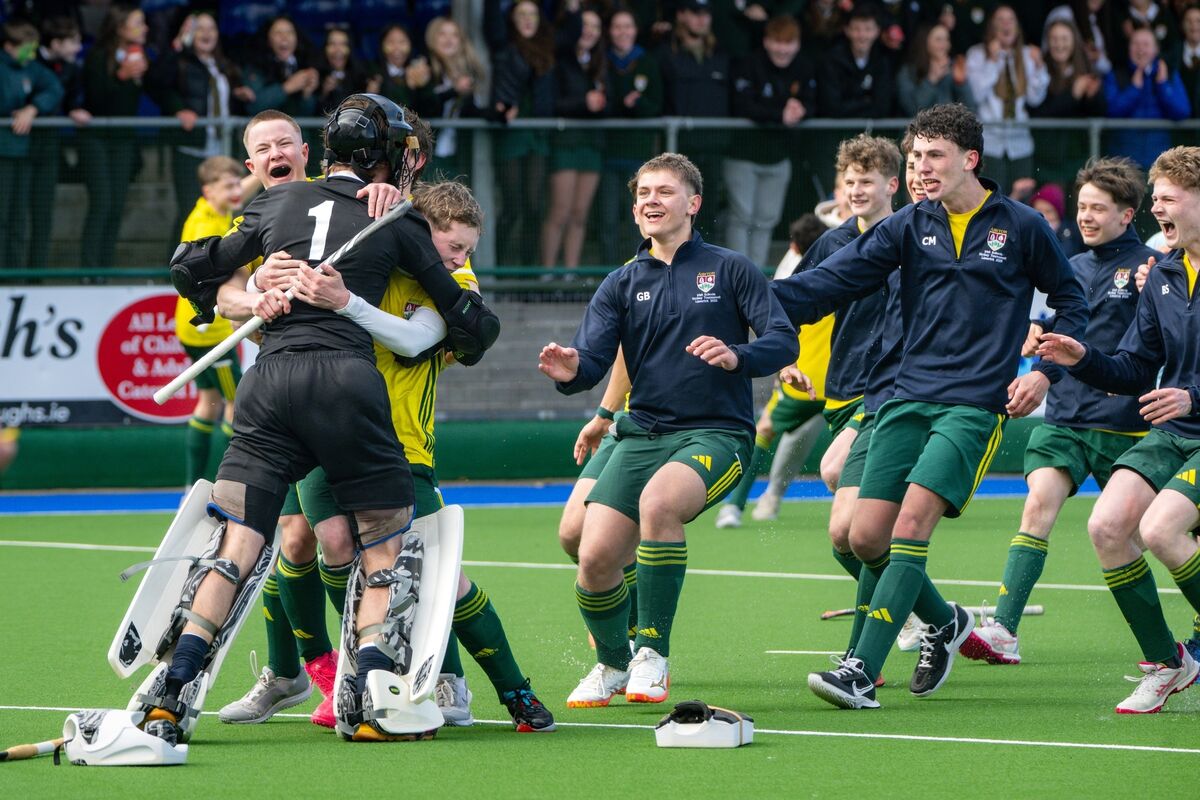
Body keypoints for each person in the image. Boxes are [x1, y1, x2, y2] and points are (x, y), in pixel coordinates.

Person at [143, 94, 497, 745]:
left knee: (239, 546)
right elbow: (471, 324)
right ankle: (372, 689)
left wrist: (254, 288)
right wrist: (467, 330)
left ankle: (174, 688)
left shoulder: (273, 205)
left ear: (318, 151)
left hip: (269, 386)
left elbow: (188, 265)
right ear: (389, 159)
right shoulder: (397, 223)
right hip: (346, 386)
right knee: (382, 544)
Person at [774, 103, 1088, 710]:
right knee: (864, 538)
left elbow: (1071, 301)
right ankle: (945, 625)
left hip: (974, 405)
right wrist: (743, 295)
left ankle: (859, 671)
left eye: (933, 156)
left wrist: (1046, 372)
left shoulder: (1022, 226)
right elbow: (827, 284)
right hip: (903, 398)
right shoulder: (907, 225)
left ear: (970, 160)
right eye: (914, 156)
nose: (919, 168)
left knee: (909, 525)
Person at [286, 175, 556, 733]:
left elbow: (413, 341)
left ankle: (514, 692)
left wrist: (346, 302)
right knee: (334, 544)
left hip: (402, 445)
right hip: (323, 434)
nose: (459, 260)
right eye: (452, 246)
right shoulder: (362, 260)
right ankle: (363, 677)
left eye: (467, 251)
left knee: (442, 575)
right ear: (418, 233)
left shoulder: (452, 285)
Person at [539, 152, 797, 707]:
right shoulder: (620, 283)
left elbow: (783, 339)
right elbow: (592, 360)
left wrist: (738, 355)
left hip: (717, 434)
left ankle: (652, 653)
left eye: (664, 192)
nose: (650, 201)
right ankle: (612, 663)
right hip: (643, 434)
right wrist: (571, 371)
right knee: (592, 553)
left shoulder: (731, 268)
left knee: (659, 505)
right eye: (642, 195)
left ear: (693, 203)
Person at [212, 109, 413, 730]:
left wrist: (388, 189)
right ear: (251, 166)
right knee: (292, 540)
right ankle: (306, 674)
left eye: (283, 143)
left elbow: (422, 219)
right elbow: (220, 291)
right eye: (261, 148)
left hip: (351, 398)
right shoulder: (256, 219)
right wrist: (255, 295)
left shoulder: (356, 198)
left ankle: (352, 671)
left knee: (322, 541)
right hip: (285, 396)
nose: (275, 153)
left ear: (306, 152)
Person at [961, 156, 1157, 667]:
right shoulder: (1069, 267)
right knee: (1036, 506)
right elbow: (1050, 323)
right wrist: (1033, 332)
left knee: (1142, 537)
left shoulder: (1150, 269)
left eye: (1099, 208)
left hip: (1125, 426)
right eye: (1082, 206)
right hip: (1065, 418)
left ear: (1128, 214)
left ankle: (1167, 650)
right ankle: (1003, 629)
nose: (1086, 216)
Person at [1036, 145, 1200, 712]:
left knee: (1161, 531)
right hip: (1178, 431)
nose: (1158, 208)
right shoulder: (1165, 275)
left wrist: (1192, 394)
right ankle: (1170, 663)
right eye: (1155, 198)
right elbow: (1132, 368)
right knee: (1107, 526)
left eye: (1169, 198)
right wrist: (1080, 357)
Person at [714, 212, 831, 529]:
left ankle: (734, 506)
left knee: (764, 431)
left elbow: (774, 328)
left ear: (793, 246)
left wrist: (787, 364)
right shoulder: (844, 271)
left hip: (802, 380)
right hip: (841, 384)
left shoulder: (790, 278)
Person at [154, 12, 255, 254]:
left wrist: (240, 95)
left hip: (220, 148)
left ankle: (217, 259)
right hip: (192, 146)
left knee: (226, 207)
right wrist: (178, 109)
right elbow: (157, 83)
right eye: (199, 29)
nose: (206, 33)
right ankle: (178, 265)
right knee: (190, 208)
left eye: (211, 28)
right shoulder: (179, 61)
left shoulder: (223, 64)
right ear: (188, 34)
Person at [174, 155, 246, 485]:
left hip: (190, 329)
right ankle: (232, 482)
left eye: (236, 184)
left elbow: (239, 188)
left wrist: (252, 176)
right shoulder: (206, 227)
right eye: (228, 186)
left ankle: (190, 485)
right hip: (212, 332)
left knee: (207, 401)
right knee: (236, 404)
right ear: (208, 190)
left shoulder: (212, 208)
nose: (236, 192)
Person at [725, 14, 815, 268]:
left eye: (788, 43)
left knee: (766, 220)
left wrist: (801, 110)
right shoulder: (748, 64)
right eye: (777, 42)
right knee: (742, 218)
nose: (783, 49)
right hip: (743, 156)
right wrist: (779, 114)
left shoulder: (804, 67)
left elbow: (813, 102)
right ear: (766, 41)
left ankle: (757, 275)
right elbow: (742, 105)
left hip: (779, 158)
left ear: (797, 44)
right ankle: (737, 274)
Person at [80, 5, 150, 268]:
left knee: (117, 205)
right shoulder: (99, 56)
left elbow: (158, 86)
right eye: (138, 23)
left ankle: (104, 269)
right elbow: (94, 99)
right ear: (120, 27)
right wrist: (121, 76)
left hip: (123, 141)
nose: (145, 28)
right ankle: (88, 270)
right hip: (97, 140)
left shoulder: (141, 55)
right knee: (102, 203)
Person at [540, 5, 607, 272]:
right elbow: (551, 103)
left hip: (592, 145)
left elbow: (610, 104)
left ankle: (569, 275)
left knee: (580, 215)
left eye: (595, 26)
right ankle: (545, 276)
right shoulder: (560, 60)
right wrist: (584, 103)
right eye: (585, 25)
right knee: (560, 212)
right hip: (565, 144)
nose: (589, 31)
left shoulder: (601, 62)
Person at [488, 0, 555, 267]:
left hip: (536, 137)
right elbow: (491, 22)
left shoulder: (547, 49)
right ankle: (500, 270)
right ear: (512, 19)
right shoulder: (503, 47)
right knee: (513, 206)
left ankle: (529, 273)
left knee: (534, 207)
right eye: (521, 14)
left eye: (533, 14)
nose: (528, 19)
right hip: (511, 135)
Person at [600, 6, 662, 266]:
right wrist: (619, 104)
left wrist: (637, 105)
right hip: (607, 154)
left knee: (635, 220)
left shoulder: (647, 62)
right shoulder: (601, 61)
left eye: (628, 26)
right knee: (608, 218)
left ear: (636, 31)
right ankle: (609, 272)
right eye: (617, 27)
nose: (623, 32)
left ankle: (636, 269)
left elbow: (657, 104)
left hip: (639, 157)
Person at [966, 5, 1049, 195]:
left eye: (1010, 19)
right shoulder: (977, 54)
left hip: (1020, 143)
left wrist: (1039, 67)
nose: (1006, 24)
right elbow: (976, 95)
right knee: (990, 198)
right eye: (1000, 20)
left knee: (1021, 201)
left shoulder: (1027, 55)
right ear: (991, 27)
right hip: (990, 143)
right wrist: (993, 62)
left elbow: (1035, 99)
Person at [0, 20, 63, 271]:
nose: (32, 54)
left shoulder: (32, 68)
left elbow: (53, 88)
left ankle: (13, 273)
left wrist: (32, 108)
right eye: (27, 48)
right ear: (9, 47)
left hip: (22, 153)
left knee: (17, 218)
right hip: (2, 155)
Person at [30, 16, 86, 270]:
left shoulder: (71, 67)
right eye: (73, 42)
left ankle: (36, 274)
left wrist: (73, 109)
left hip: (49, 146)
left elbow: (71, 99)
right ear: (55, 43)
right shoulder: (31, 63)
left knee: (43, 213)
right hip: (22, 147)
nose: (78, 48)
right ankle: (12, 275)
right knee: (15, 215)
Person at [1104, 25, 1190, 169]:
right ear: (1128, 48)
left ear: (1156, 49)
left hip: (1160, 163)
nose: (1140, 49)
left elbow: (1182, 111)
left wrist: (1162, 85)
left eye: (1146, 44)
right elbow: (1110, 111)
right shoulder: (1116, 75)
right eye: (1135, 44)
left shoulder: (1168, 75)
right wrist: (1134, 89)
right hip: (1123, 163)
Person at [816, 5, 897, 119]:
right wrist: (867, 102)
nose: (862, 35)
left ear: (877, 31)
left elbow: (883, 107)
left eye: (868, 29)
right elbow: (831, 107)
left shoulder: (882, 61)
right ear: (847, 30)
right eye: (856, 29)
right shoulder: (831, 61)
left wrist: (849, 104)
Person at [1030, 18, 1105, 117]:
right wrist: (1073, 95)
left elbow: (1099, 114)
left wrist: (1093, 97)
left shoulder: (1087, 69)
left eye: (1064, 39)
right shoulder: (1039, 72)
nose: (1059, 44)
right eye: (1054, 39)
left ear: (1074, 42)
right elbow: (1037, 116)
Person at [897, 22, 976, 116]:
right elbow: (912, 109)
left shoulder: (951, 70)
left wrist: (961, 84)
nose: (944, 45)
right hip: (919, 130)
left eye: (947, 39)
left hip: (948, 129)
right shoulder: (908, 72)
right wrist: (932, 79)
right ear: (925, 42)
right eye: (938, 39)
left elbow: (970, 110)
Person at [368, 24, 436, 115]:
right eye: (391, 42)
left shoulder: (418, 70)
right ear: (381, 46)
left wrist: (423, 86)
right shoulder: (372, 71)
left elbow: (431, 111)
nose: (397, 48)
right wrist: (408, 87)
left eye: (402, 42)